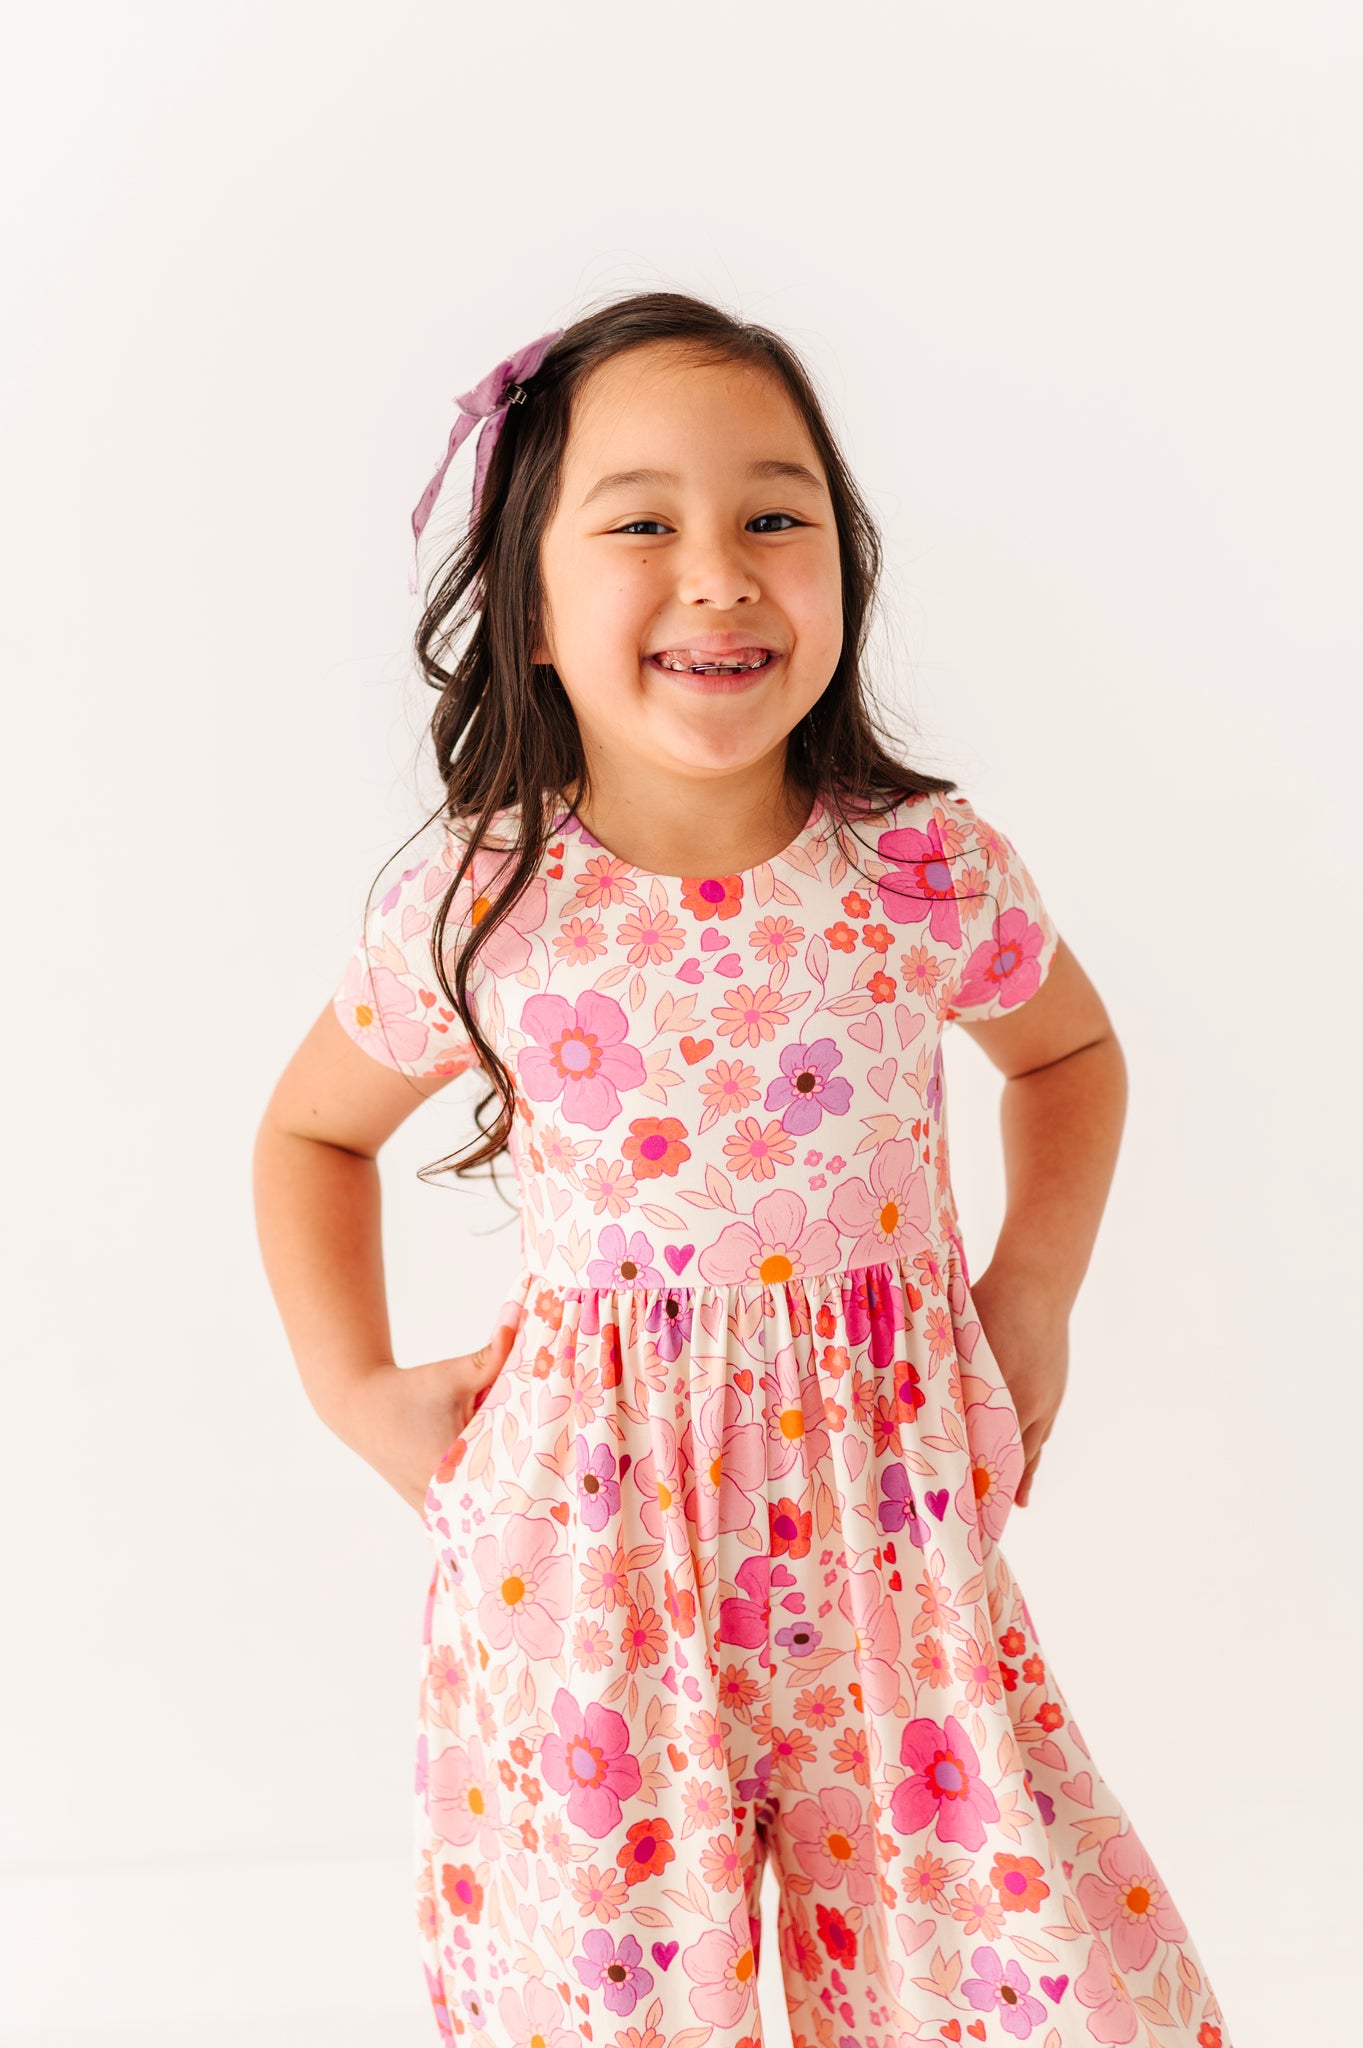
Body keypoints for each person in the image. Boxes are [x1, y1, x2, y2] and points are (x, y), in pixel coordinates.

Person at [253, 292, 1233, 2048]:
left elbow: (1068, 1056)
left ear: (844, 572)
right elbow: (312, 1132)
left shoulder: (924, 872)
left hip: (895, 1548)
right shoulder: (484, 904)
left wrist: (1033, 1289)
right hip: (588, 1575)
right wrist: (354, 1388)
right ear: (529, 607)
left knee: (1022, 1980)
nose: (719, 574)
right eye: (642, 525)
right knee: (614, 2002)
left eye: (776, 517)